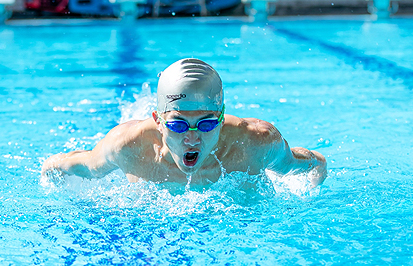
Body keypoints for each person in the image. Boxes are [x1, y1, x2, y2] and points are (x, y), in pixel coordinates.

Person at [42, 58, 327, 188]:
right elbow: (74, 165)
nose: (192, 138)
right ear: (158, 121)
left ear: (220, 118)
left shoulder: (256, 143)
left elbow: (311, 163)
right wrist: (48, 175)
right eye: (178, 125)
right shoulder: (128, 148)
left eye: (205, 125)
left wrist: (313, 190)